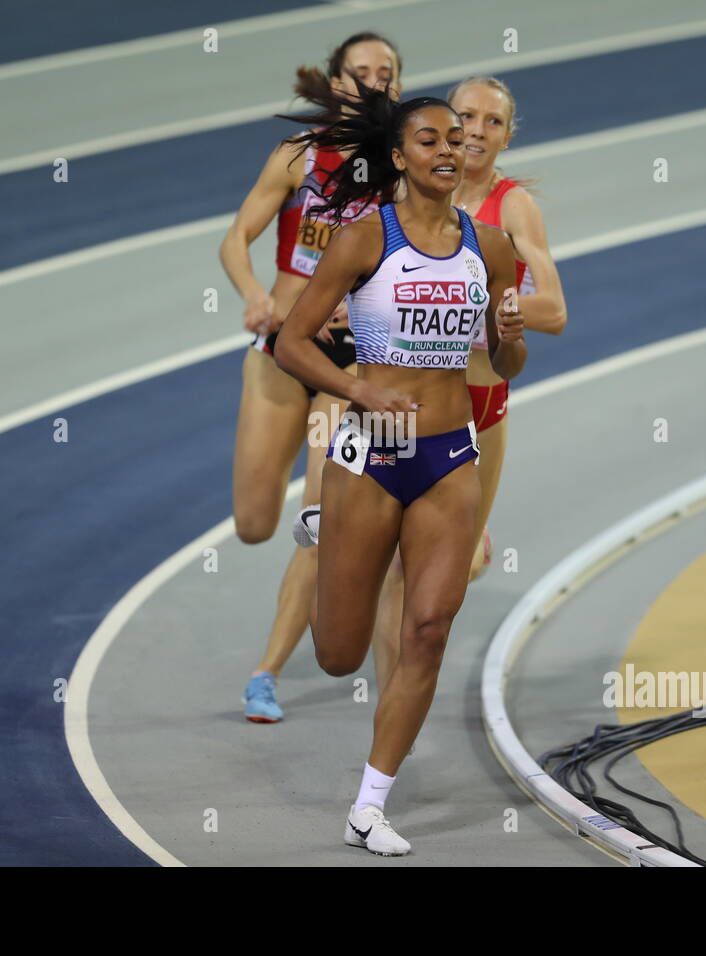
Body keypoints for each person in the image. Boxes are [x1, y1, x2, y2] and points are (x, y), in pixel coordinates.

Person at [273, 75, 526, 855]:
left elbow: (507, 359)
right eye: (432, 139)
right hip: (370, 454)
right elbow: (292, 342)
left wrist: (510, 332)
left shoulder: (491, 246)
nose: (451, 149)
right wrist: (357, 388)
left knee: (428, 627)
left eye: (457, 139)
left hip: (450, 457)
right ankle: (324, 536)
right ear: (398, 156)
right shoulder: (365, 238)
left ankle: (370, 804)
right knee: (340, 652)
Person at [217, 33, 402, 722]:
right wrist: (254, 296)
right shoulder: (298, 156)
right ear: (335, 82)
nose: (375, 83)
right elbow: (235, 239)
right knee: (254, 525)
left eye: (388, 74)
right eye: (362, 73)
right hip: (276, 352)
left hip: (347, 366)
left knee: (318, 523)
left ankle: (265, 674)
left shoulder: (398, 166)